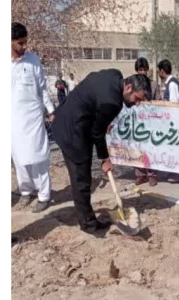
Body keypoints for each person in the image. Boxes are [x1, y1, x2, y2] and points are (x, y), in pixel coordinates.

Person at [52, 69, 151, 234]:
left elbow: (88, 81)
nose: (136, 103)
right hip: (72, 132)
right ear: (128, 88)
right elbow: (98, 132)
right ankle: (88, 224)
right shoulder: (112, 102)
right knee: (81, 179)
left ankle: (86, 217)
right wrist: (105, 159)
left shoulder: (115, 75)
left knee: (83, 177)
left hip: (69, 118)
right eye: (137, 98)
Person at [12, 23, 56, 213]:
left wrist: (51, 110)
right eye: (20, 43)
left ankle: (44, 195)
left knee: (38, 157)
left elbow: (42, 87)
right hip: (11, 119)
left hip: (33, 118)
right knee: (19, 158)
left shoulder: (33, 60)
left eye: (25, 42)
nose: (24, 47)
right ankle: (25, 191)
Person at [132, 57, 161, 188]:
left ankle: (152, 175)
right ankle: (140, 174)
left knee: (151, 149)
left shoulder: (154, 84)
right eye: (140, 70)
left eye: (144, 69)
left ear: (148, 70)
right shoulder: (131, 84)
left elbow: (159, 102)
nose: (142, 72)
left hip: (151, 121)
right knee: (137, 148)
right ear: (137, 70)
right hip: (137, 122)